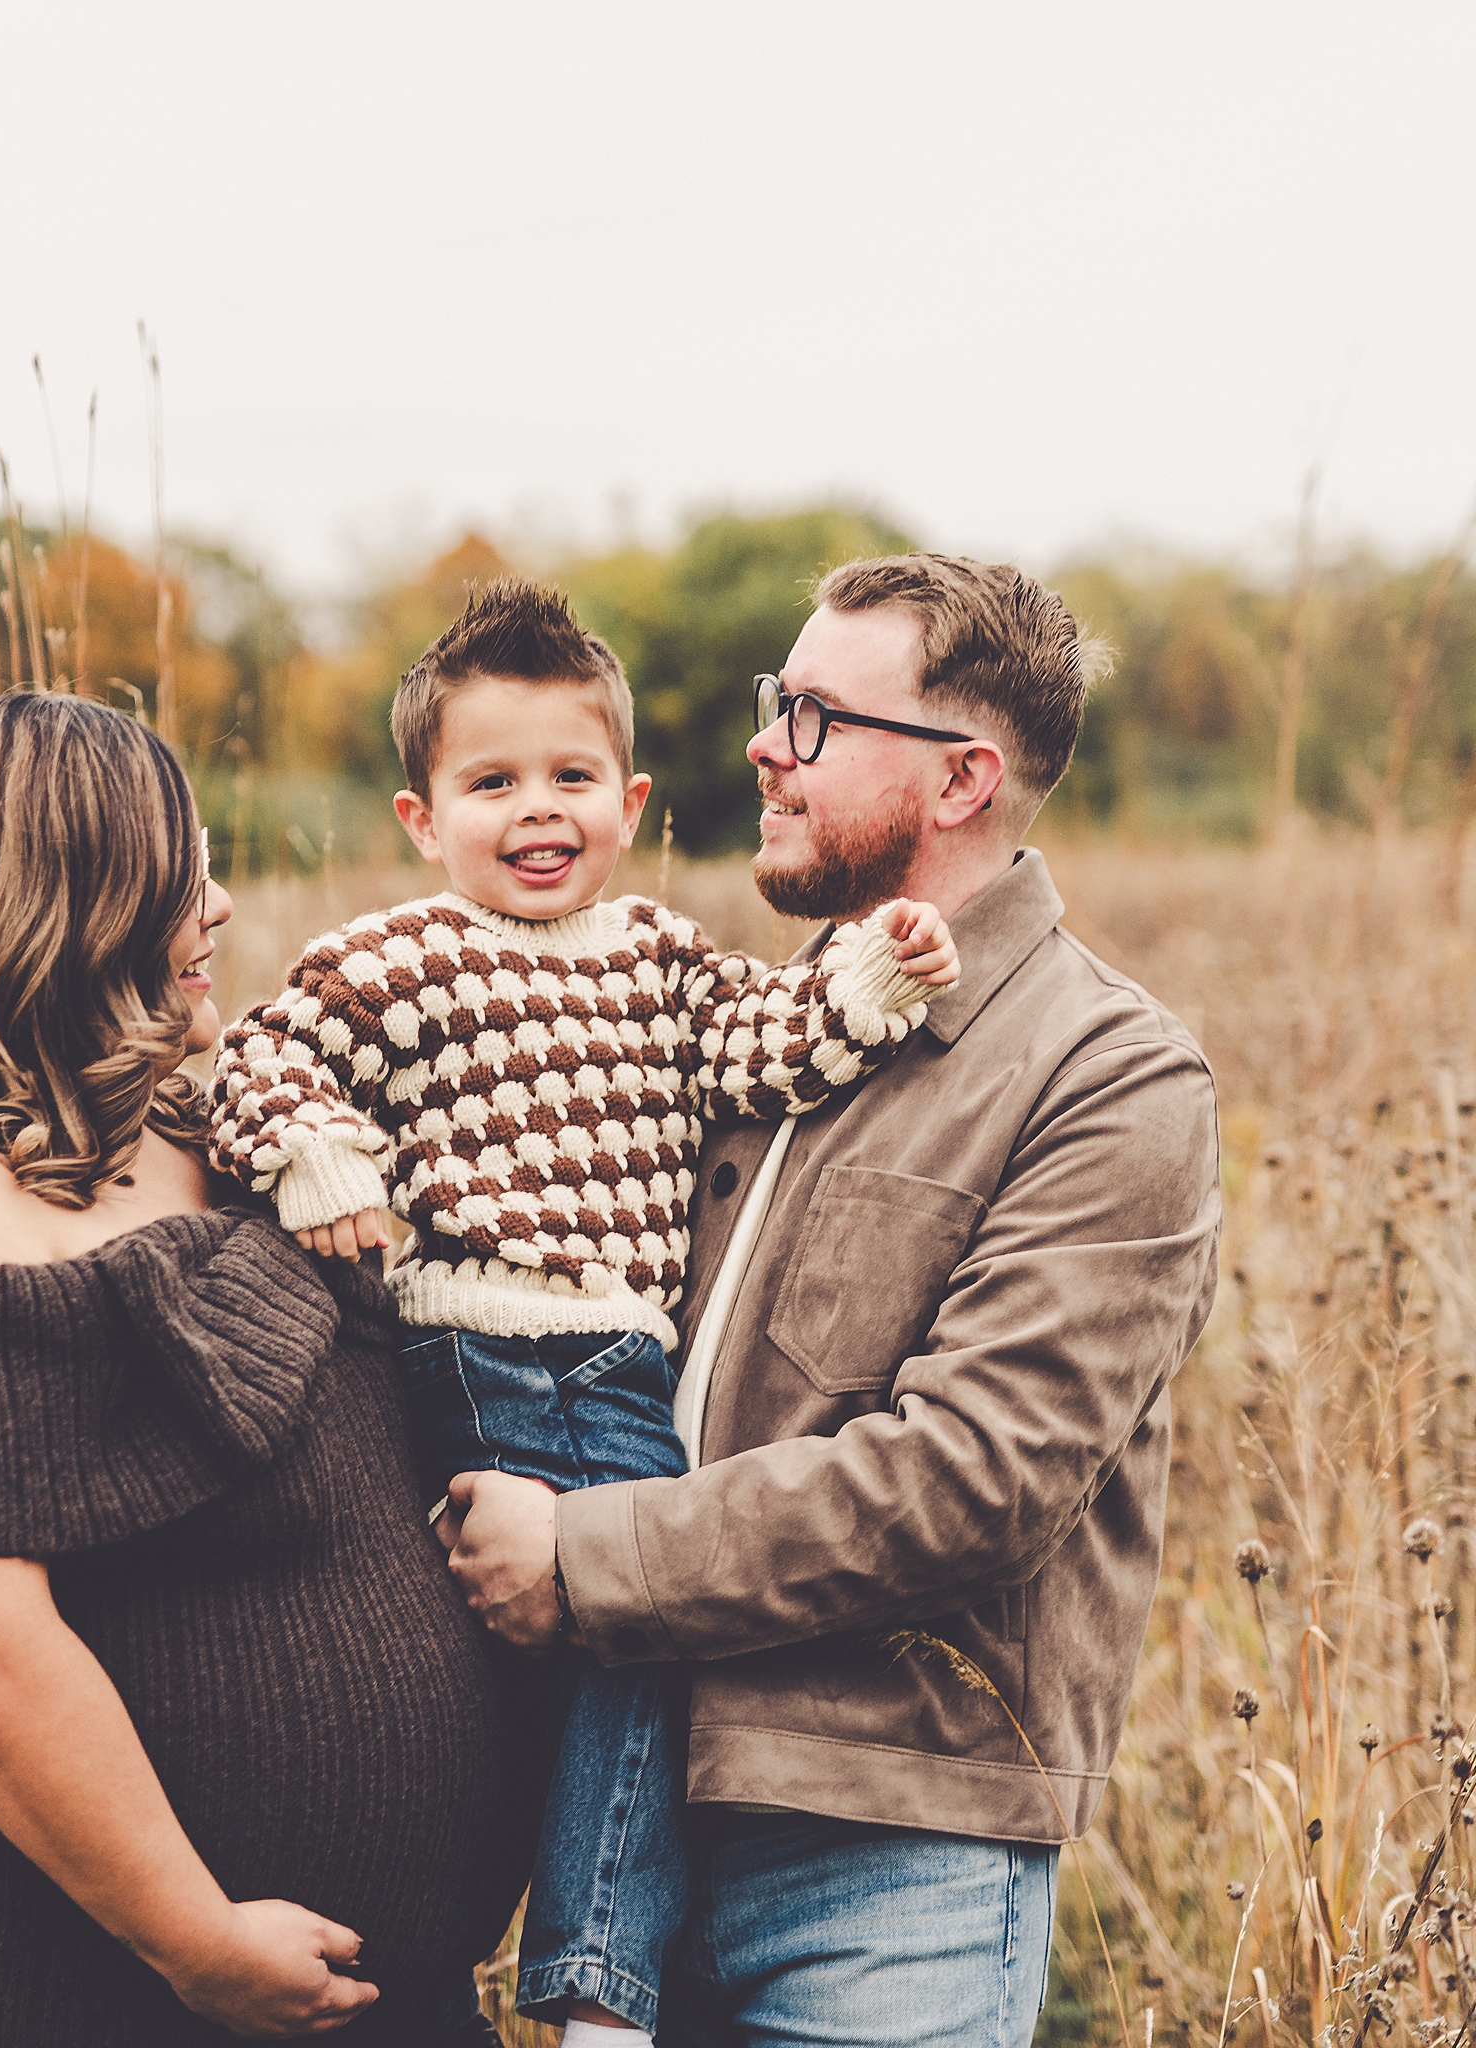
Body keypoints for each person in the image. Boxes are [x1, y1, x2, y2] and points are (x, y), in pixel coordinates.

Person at [446, 554, 1224, 2048]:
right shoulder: (742, 1026)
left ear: (962, 779)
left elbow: (975, 1479)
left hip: (890, 1861)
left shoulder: (1108, 1075)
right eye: (773, 701)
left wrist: (585, 1558)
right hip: (624, 1823)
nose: (763, 746)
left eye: (812, 717)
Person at [0, 693, 542, 2047]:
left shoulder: (216, 1140)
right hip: (38, 1995)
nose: (219, 905)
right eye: (180, 872)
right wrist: (190, 1932)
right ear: (60, 908)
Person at [207, 580, 958, 2046]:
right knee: (649, 1636)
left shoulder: (661, 959)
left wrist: (876, 969)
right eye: (491, 783)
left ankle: (507, 1950)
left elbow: (764, 1047)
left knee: (562, 1662)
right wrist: (322, 1154)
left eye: (569, 777)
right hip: (498, 1347)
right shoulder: (399, 958)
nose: (536, 811)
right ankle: (598, 1988)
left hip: (615, 1359)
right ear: (422, 816)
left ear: (630, 802)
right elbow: (259, 1061)